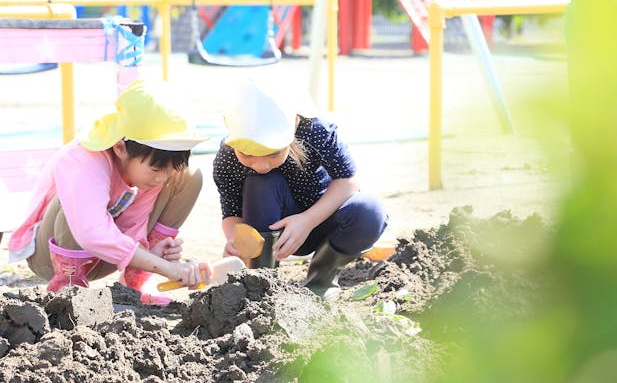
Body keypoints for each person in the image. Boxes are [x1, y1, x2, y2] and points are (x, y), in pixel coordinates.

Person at [7, 79, 210, 306]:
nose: (162, 178)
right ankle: (69, 292)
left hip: (105, 257)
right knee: (74, 202)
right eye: (156, 168)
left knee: (189, 176)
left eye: (168, 169)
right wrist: (167, 268)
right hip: (52, 256)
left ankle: (134, 286)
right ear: (121, 147)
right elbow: (91, 233)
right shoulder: (83, 159)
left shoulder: (147, 176)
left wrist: (152, 253)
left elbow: (135, 223)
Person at [213, 80, 388, 301]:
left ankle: (321, 280)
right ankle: (261, 284)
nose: (261, 165)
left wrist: (306, 221)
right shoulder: (228, 155)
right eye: (247, 155)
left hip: (326, 221)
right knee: (261, 181)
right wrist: (235, 239)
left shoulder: (315, 131)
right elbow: (231, 214)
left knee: (370, 212)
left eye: (273, 153)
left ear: (294, 125)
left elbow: (349, 181)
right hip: (273, 233)